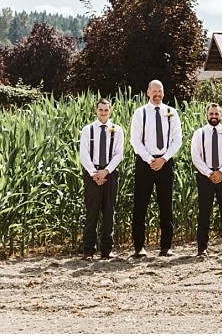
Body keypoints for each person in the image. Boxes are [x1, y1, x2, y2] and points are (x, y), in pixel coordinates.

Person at [130, 79, 183, 258]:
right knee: (140, 205)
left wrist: (164, 159)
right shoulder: (140, 113)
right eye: (154, 91)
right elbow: (135, 140)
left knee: (166, 205)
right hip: (145, 163)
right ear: (147, 92)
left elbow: (177, 139)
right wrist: (150, 159)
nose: (157, 94)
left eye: (160, 91)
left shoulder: (171, 113)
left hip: (165, 163)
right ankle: (139, 247)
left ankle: (166, 247)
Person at [78, 98, 124, 260]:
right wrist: (94, 173)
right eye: (100, 110)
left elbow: (119, 154)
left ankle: (107, 250)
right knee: (92, 212)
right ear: (95, 111)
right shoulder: (87, 130)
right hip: (92, 174)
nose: (103, 113)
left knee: (109, 212)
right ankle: (88, 250)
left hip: (110, 173)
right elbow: (83, 154)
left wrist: (106, 171)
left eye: (106, 110)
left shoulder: (117, 130)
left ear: (110, 111)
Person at [191, 103, 222, 257]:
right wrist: (209, 173)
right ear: (206, 115)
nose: (214, 116)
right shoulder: (199, 134)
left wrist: (221, 172)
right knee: (204, 212)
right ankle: (202, 248)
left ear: (221, 116)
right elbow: (195, 156)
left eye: (217, 114)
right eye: (211, 114)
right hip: (205, 177)